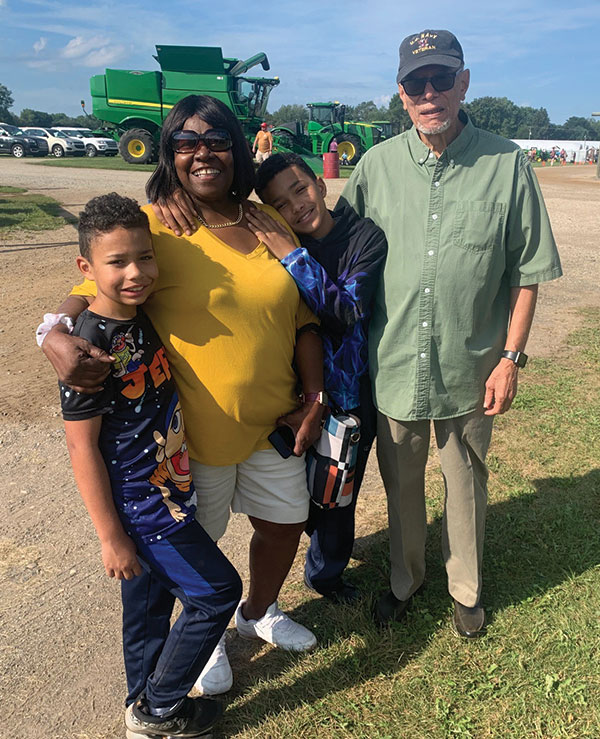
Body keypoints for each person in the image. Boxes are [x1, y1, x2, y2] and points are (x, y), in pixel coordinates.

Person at [41, 95, 326, 698]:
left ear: (238, 147)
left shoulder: (264, 221)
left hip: (275, 419)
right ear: (169, 154)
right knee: (203, 545)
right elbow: (87, 288)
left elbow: (303, 318)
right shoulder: (160, 228)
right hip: (194, 433)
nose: (203, 152)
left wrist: (316, 395)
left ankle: (256, 612)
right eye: (186, 142)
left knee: (284, 523)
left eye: (216, 139)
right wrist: (52, 335)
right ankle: (210, 634)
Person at [338, 29, 562, 638]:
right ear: (402, 94)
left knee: (464, 477)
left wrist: (511, 356)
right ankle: (405, 581)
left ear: (465, 83)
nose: (429, 92)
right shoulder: (375, 167)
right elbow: (329, 245)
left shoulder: (507, 162)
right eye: (417, 83)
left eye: (442, 79)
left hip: (473, 361)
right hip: (393, 361)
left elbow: (528, 271)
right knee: (401, 481)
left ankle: (466, 587)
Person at [50, 192, 242, 737]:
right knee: (217, 592)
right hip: (144, 508)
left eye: (145, 257)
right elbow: (81, 447)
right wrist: (110, 536)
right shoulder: (87, 352)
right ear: (87, 269)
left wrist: (52, 323)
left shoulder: (138, 316)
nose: (136, 272)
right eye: (117, 262)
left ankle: (142, 702)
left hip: (170, 489)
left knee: (149, 608)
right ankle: (160, 708)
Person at [245, 152, 387, 603]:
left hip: (347, 399)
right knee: (292, 491)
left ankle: (324, 576)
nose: (296, 207)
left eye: (300, 190)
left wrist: (290, 254)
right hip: (287, 394)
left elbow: (346, 312)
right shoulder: (267, 247)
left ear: (321, 184)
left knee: (337, 495)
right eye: (280, 205)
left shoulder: (364, 238)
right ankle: (309, 544)